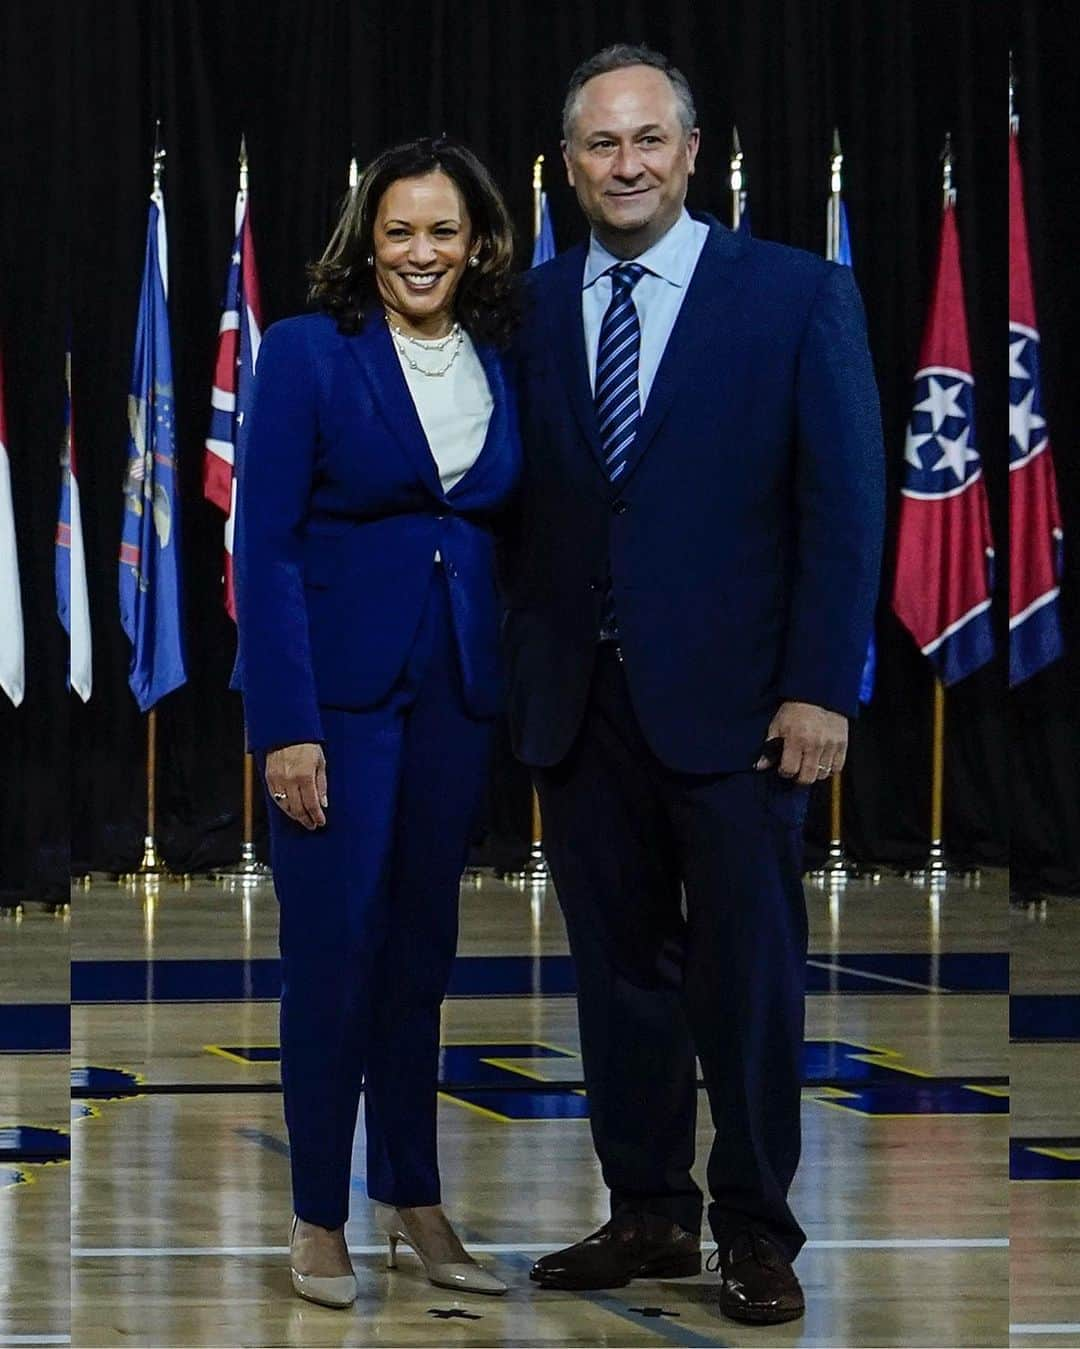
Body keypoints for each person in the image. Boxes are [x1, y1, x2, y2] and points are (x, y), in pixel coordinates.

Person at [503, 45, 884, 1324]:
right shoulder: (536, 305)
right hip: (580, 704)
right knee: (617, 975)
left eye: (648, 141)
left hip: (744, 711)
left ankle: (758, 1228)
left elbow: (843, 511)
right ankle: (649, 1209)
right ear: (570, 165)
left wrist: (820, 686)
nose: (627, 165)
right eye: (602, 146)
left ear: (693, 152)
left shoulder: (793, 296)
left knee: (748, 976)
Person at [234, 137, 520, 1308]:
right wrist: (285, 724)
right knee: (334, 958)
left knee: (420, 958)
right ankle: (317, 1214)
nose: (420, 251)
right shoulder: (307, 353)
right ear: (368, 239)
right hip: (336, 709)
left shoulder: (506, 354)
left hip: (457, 693)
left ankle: (415, 1198)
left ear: (477, 240)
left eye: (442, 230)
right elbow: (266, 545)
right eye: (399, 230)